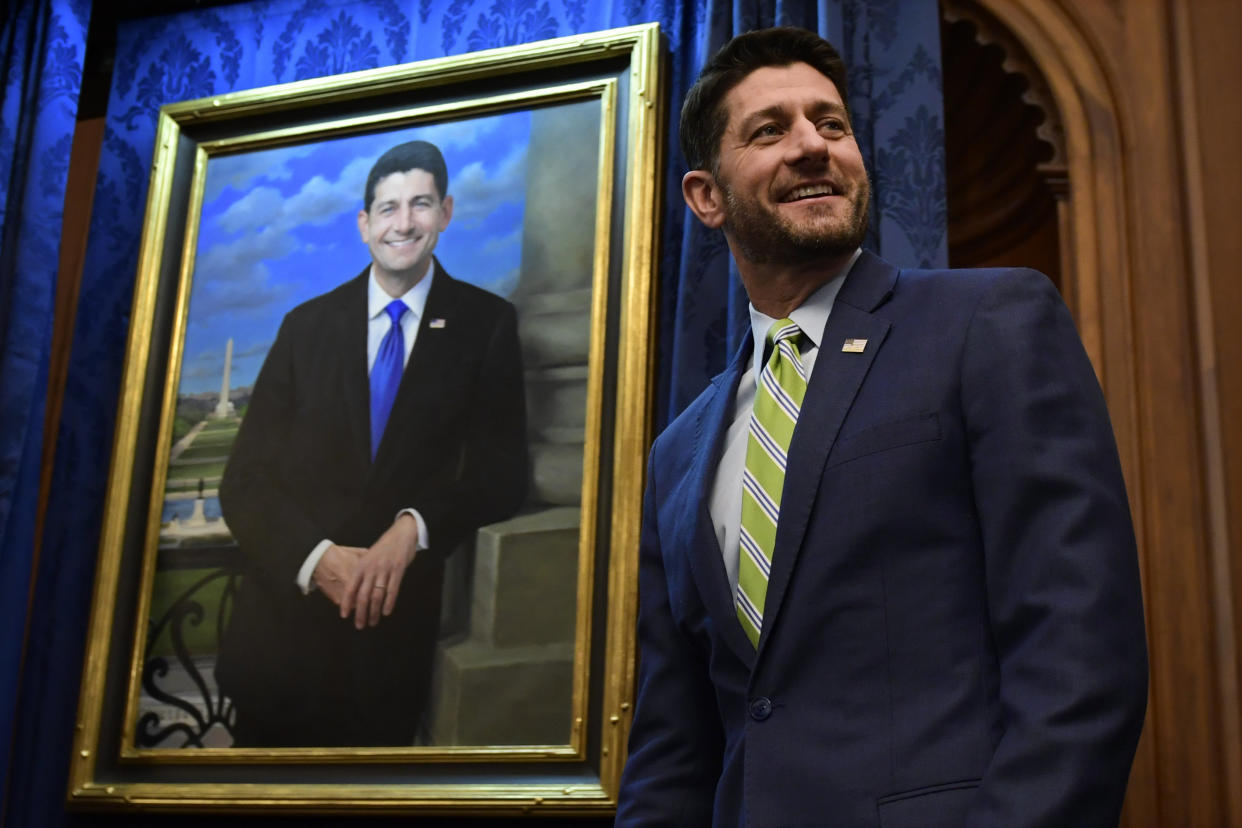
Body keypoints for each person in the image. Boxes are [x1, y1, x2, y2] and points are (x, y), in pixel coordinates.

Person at [616, 28, 1147, 827]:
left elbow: (1079, 657)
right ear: (706, 197)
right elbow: (672, 743)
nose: (812, 147)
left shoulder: (988, 323)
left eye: (832, 125)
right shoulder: (677, 454)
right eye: (770, 131)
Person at [215, 140, 529, 747]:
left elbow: (501, 471)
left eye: (420, 204)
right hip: (278, 645)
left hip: (389, 649)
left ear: (445, 213)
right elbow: (245, 480)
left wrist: (411, 528)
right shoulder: (305, 326)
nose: (403, 223)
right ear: (364, 225)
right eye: (387, 208)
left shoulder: (486, 324)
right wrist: (318, 560)